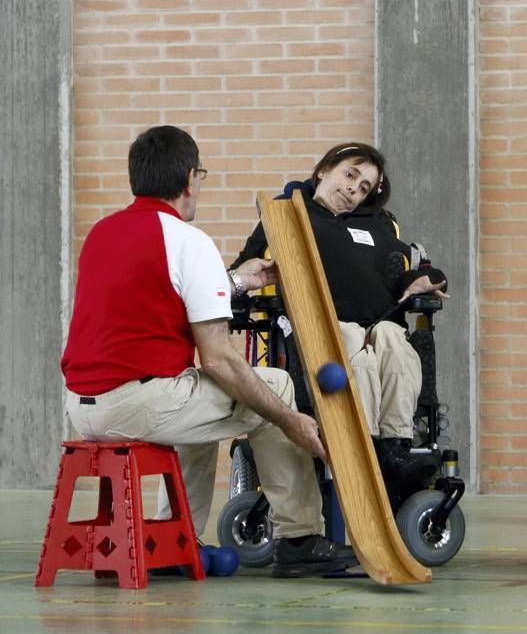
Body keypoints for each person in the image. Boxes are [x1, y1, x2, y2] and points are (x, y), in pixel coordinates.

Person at [61, 124, 358, 579]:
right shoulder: (188, 240)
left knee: (196, 404)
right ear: (188, 179)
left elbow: (162, 294)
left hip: (83, 406)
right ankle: (298, 537)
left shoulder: (103, 232)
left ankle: (175, 537)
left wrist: (239, 280)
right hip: (138, 403)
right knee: (273, 383)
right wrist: (290, 419)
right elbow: (217, 358)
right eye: (200, 175)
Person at [230, 142, 449, 484]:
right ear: (323, 171)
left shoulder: (379, 226)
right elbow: (241, 270)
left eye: (363, 187)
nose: (353, 189)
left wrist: (424, 280)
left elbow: (416, 268)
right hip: (320, 331)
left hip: (379, 325)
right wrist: (241, 285)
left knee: (393, 337)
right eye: (349, 174)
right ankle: (366, 446)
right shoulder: (285, 215)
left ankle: (395, 447)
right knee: (349, 336)